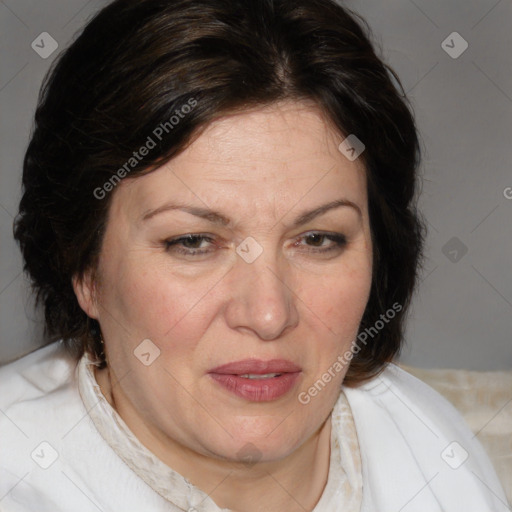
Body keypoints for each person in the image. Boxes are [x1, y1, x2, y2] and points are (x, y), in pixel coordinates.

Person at [0, 0, 508, 510]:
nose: (268, 314)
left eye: (317, 239)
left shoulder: (430, 450)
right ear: (85, 268)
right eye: (193, 242)